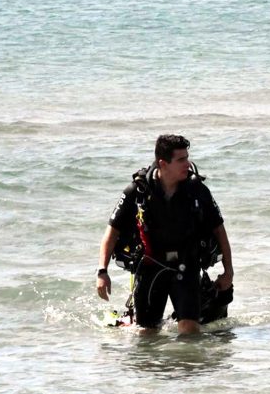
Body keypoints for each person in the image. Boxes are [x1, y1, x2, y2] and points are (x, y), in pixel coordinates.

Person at [96, 134, 233, 334]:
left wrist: (228, 272)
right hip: (151, 268)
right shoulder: (137, 191)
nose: (188, 163)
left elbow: (220, 231)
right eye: (181, 160)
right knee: (146, 334)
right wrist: (102, 271)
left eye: (187, 157)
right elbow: (111, 232)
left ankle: (189, 364)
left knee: (190, 330)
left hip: (187, 266)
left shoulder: (197, 190)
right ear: (163, 163)